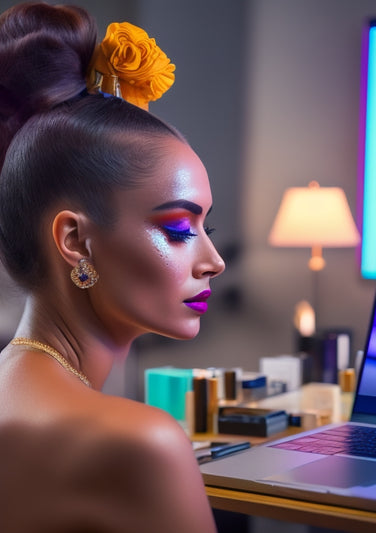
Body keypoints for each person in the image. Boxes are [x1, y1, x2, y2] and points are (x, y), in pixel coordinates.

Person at [0, 3, 225, 532]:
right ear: (75, 241)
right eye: (177, 229)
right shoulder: (141, 442)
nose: (213, 262)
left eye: (205, 229)